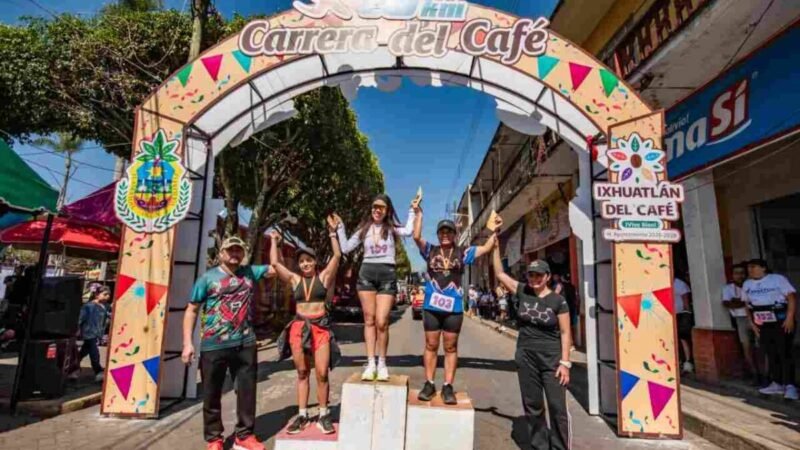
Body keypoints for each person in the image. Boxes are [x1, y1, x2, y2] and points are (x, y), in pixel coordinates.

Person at [182, 236, 277, 450]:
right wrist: (188, 343)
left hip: (245, 343)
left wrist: (274, 242)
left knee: (246, 391)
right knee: (211, 393)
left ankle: (244, 435)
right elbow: (192, 310)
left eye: (238, 251)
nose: (235, 255)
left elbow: (275, 268)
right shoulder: (207, 278)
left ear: (243, 254)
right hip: (213, 345)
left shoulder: (250, 273)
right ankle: (214, 438)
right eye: (230, 251)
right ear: (221, 254)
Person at [411, 208, 498, 404]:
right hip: (432, 307)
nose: (445, 235)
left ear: (454, 234)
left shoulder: (462, 252)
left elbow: (485, 248)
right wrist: (419, 214)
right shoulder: (430, 250)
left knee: (450, 347)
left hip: (454, 309)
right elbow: (416, 236)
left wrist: (495, 231)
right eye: (441, 232)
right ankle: (429, 383)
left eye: (448, 231)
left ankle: (447, 386)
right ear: (438, 234)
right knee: (431, 345)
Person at [491, 241, 572, 449]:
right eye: (531, 275)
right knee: (533, 406)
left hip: (552, 359)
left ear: (547, 277)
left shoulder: (558, 301)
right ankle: (539, 446)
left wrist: (565, 363)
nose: (534, 279)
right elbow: (500, 273)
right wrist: (495, 245)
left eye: (538, 275)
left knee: (557, 408)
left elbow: (565, 332)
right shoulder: (522, 291)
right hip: (526, 357)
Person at [334, 194, 416, 381]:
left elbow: (409, 230)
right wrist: (339, 228)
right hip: (366, 274)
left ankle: (382, 363)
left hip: (387, 274)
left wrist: (412, 210)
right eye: (374, 207)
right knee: (369, 320)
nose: (377, 210)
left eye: (381, 207)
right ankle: (370, 363)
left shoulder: (392, 229)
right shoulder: (364, 230)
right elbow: (346, 248)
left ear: (387, 210)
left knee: (382, 321)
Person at [271, 217, 342, 435]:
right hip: (299, 329)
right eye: (302, 261)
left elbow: (337, 255)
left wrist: (332, 233)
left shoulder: (323, 277)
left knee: (321, 373)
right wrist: (274, 241)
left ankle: (323, 414)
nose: (305, 264)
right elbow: (275, 264)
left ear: (315, 262)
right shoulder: (294, 280)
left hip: (320, 329)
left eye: (309, 260)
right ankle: (302, 415)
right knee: (302, 372)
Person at [743, 259, 797, 400]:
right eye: (749, 268)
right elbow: (747, 305)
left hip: (781, 319)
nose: (750, 270)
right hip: (762, 322)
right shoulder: (747, 284)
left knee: (784, 351)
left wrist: (790, 317)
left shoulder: (777, 279)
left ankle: (790, 385)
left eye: (753, 267)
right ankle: (777, 382)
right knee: (770, 352)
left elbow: (791, 297)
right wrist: (753, 324)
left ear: (763, 268)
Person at [721, 263, 759, 382]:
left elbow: (756, 301)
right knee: (746, 347)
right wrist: (745, 302)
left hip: (756, 317)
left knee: (760, 346)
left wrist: (738, 301)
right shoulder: (728, 288)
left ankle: (765, 373)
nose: (740, 276)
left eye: (742, 273)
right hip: (740, 319)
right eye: (737, 273)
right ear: (732, 275)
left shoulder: (752, 285)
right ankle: (754, 373)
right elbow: (727, 303)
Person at [76, 284, 110, 382]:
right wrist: (77, 329)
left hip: (97, 333)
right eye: (105, 294)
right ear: (97, 295)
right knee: (94, 353)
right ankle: (98, 371)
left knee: (83, 352)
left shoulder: (105, 307)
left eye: (108, 294)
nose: (107, 296)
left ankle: (72, 366)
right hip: (89, 333)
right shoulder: (88, 306)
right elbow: (80, 318)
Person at [674, 275, 694, 373]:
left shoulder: (680, 284)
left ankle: (688, 362)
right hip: (671, 315)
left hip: (682, 314)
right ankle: (679, 361)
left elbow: (686, 300)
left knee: (683, 338)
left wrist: (688, 314)